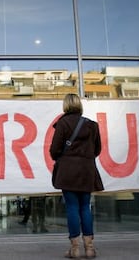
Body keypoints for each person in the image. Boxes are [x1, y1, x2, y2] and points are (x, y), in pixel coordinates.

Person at [50, 93, 104, 259]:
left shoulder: (63, 124)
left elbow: (55, 150)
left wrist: (62, 157)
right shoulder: (92, 125)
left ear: (65, 106)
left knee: (72, 208)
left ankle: (75, 249)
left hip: (68, 171)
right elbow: (97, 150)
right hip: (86, 170)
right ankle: (89, 248)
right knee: (84, 207)